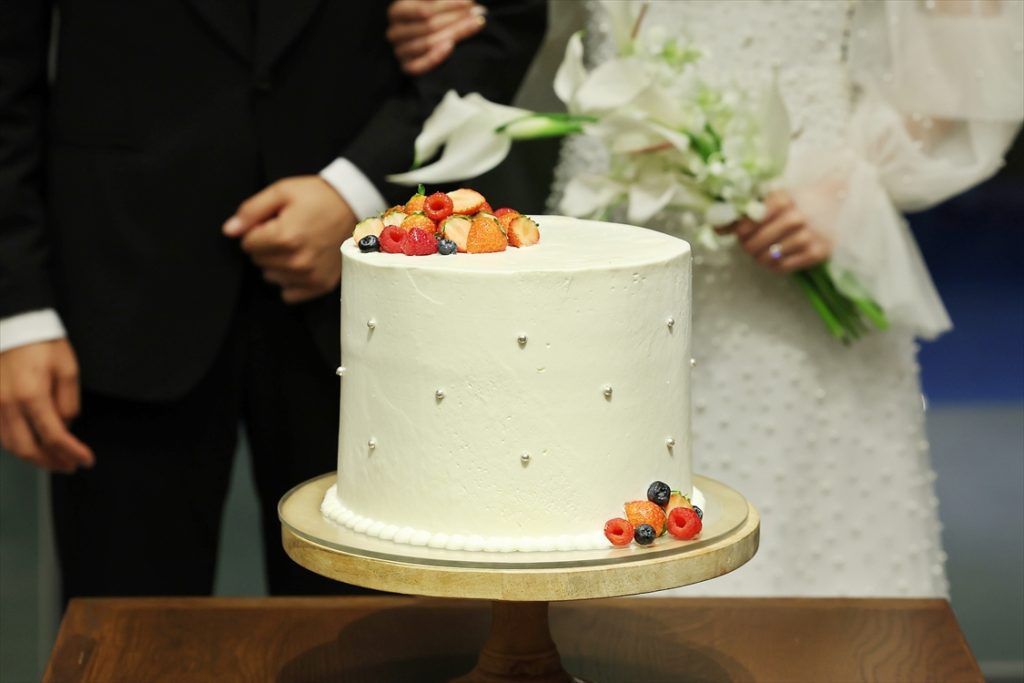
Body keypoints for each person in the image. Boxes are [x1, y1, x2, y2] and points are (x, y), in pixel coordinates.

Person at [386, 0, 1023, 596]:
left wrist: (847, 185)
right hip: (611, 205)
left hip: (799, 203)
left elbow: (971, 28)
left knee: (807, 549)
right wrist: (469, 14)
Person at [0, 0, 546, 602]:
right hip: (119, 274)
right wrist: (17, 308)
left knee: (372, 631)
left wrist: (357, 189)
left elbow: (505, 16)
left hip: (372, 306)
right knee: (127, 622)